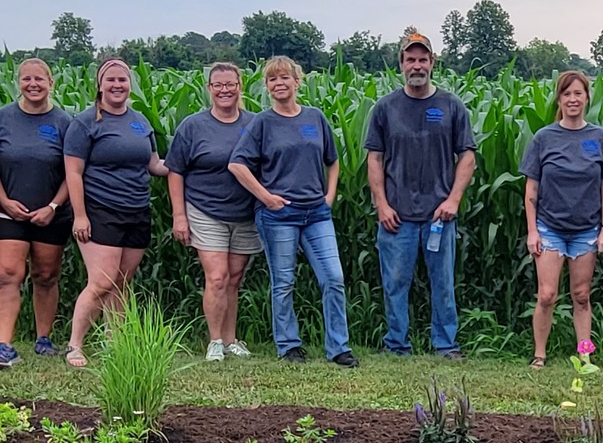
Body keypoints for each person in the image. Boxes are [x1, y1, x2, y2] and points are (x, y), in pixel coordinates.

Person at [227, 56, 356, 366]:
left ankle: (338, 347)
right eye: (272, 79)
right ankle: (289, 346)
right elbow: (237, 164)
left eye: (285, 77)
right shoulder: (262, 122)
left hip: (316, 213)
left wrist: (330, 195)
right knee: (284, 282)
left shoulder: (315, 118)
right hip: (278, 216)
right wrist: (266, 197)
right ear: (267, 87)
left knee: (333, 278)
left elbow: (333, 160)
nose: (279, 83)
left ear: (298, 82)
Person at [365, 27, 476, 357]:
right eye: (410, 59)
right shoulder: (385, 108)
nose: (417, 65)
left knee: (442, 285)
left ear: (432, 63)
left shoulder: (451, 105)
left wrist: (454, 199)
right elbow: (374, 158)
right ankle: (397, 345)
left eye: (423, 59)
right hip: (396, 217)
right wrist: (381, 205)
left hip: (439, 215)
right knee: (395, 284)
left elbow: (467, 156)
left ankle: (446, 345)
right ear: (401, 63)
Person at [61, 57, 168, 368]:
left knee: (122, 282)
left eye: (123, 80)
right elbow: (74, 173)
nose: (117, 85)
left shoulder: (140, 122)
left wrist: (184, 160)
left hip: (136, 210)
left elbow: (154, 165)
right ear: (100, 84)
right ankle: (75, 345)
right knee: (101, 282)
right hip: (100, 210)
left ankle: (114, 343)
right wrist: (80, 215)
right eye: (111, 80)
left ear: (129, 84)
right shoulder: (85, 123)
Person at [520, 70, 603, 368]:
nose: (573, 99)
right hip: (549, 227)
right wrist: (532, 231)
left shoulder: (599, 137)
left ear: (587, 98)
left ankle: (584, 354)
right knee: (547, 294)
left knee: (582, 295)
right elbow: (531, 188)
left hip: (586, 229)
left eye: (578, 94)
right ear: (559, 99)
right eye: (567, 94)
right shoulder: (544, 138)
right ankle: (540, 354)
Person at [167, 60, 260, 361]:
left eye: (230, 84)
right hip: (204, 210)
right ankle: (215, 341)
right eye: (218, 85)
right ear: (209, 89)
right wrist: (179, 215)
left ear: (239, 86)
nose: (224, 90)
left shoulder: (255, 123)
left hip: (245, 213)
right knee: (217, 277)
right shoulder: (193, 126)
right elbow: (175, 171)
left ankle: (232, 339)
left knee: (234, 278)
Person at [0, 57, 71, 368]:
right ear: (17, 83)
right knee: (7, 274)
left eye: (39, 79)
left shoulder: (64, 123)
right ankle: (4, 346)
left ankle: (43, 339)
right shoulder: (1, 119)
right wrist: (3, 201)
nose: (33, 85)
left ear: (51, 83)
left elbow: (73, 172)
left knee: (45, 275)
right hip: (9, 212)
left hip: (51, 213)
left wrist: (53, 206)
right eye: (26, 79)